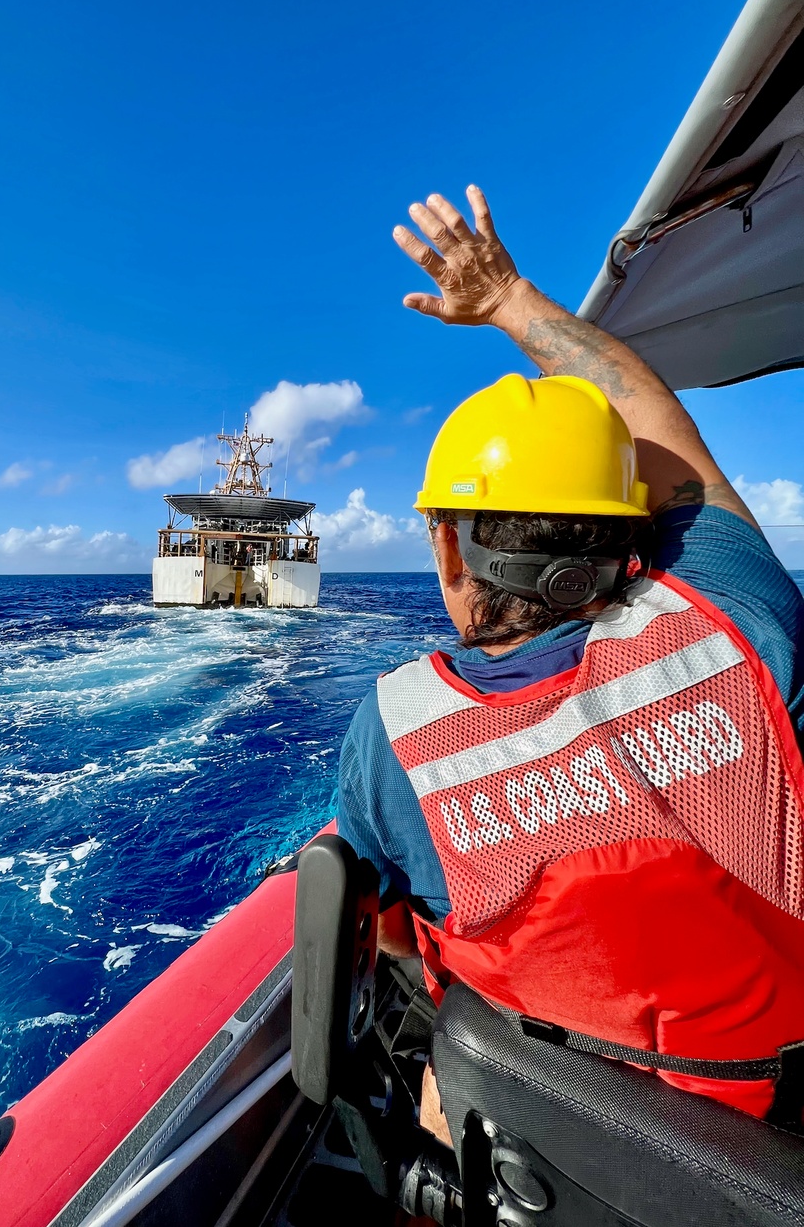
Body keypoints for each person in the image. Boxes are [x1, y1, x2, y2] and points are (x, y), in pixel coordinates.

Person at [336, 185, 804, 1131]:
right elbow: (668, 436)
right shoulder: (738, 626)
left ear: (447, 546)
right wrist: (509, 297)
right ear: (630, 534)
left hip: (542, 1161)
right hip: (771, 1144)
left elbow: (376, 925)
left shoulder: (395, 737)